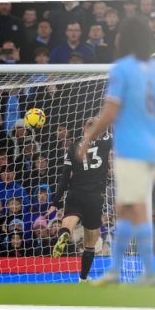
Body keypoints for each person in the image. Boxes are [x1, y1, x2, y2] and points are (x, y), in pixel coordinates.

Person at [79, 17, 155, 285]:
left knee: (126, 209)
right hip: (153, 150)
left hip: (131, 149)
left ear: (127, 38)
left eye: (120, 34)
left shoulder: (123, 68)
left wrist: (88, 139)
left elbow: (110, 112)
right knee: (136, 209)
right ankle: (141, 272)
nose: (117, 38)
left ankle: (121, 271)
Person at [49, 118, 112, 283]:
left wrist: (54, 203)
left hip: (75, 193)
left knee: (68, 223)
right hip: (95, 197)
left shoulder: (73, 148)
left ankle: (63, 235)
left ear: (84, 129)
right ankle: (83, 278)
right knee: (90, 244)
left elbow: (64, 178)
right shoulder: (105, 144)